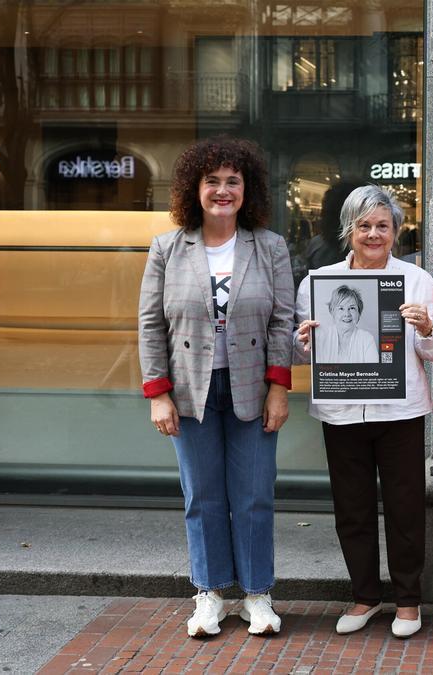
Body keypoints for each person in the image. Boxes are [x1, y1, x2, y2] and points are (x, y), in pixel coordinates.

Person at [138, 136, 293, 638]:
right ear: (194, 189)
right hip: (188, 391)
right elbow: (150, 325)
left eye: (233, 181)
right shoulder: (167, 247)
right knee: (201, 495)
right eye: (213, 182)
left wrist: (278, 388)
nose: (223, 191)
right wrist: (158, 392)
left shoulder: (269, 246)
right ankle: (209, 593)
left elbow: (283, 322)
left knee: (253, 494)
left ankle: (257, 595)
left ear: (247, 190)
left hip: (251, 387)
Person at [294, 185, 433, 639]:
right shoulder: (318, 282)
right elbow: (302, 352)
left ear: (397, 231)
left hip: (399, 411)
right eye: (364, 226)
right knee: (352, 510)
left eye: (383, 225)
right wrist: (303, 342)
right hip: (342, 412)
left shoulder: (416, 281)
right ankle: (364, 596)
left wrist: (426, 328)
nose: (374, 234)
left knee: (405, 508)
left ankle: (407, 601)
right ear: (349, 230)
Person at [313, 285, 378, 363]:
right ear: (332, 311)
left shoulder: (367, 339)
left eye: (352, 308)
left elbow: (374, 371)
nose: (347, 314)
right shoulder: (321, 336)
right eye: (341, 308)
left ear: (359, 312)